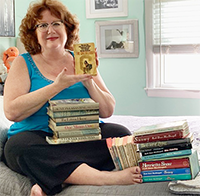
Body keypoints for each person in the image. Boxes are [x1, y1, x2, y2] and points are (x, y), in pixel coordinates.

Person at [3, 0, 142, 195]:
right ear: (34, 33)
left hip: (83, 135)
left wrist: (88, 81)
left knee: (121, 135)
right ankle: (104, 178)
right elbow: (12, 112)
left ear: (67, 29)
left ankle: (54, 180)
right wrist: (57, 86)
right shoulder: (22, 62)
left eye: (56, 23)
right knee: (18, 148)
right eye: (42, 25)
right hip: (40, 138)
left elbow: (108, 110)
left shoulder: (80, 59)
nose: (50, 29)